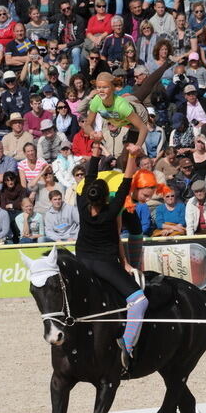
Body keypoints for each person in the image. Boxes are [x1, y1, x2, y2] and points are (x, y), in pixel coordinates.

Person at [75, 142, 146, 369]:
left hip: (82, 259)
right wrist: (132, 155)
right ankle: (127, 344)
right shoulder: (111, 211)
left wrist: (95, 150)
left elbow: (90, 175)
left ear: (88, 194)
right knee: (139, 300)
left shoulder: (81, 204)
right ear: (106, 197)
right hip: (104, 263)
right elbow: (126, 181)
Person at [86, 72, 148, 152]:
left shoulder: (122, 106)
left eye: (105, 87)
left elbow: (143, 128)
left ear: (113, 88)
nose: (101, 90)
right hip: (120, 117)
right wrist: (91, 133)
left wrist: (138, 146)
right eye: (98, 87)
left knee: (130, 153)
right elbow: (87, 124)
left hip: (138, 114)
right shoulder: (96, 100)